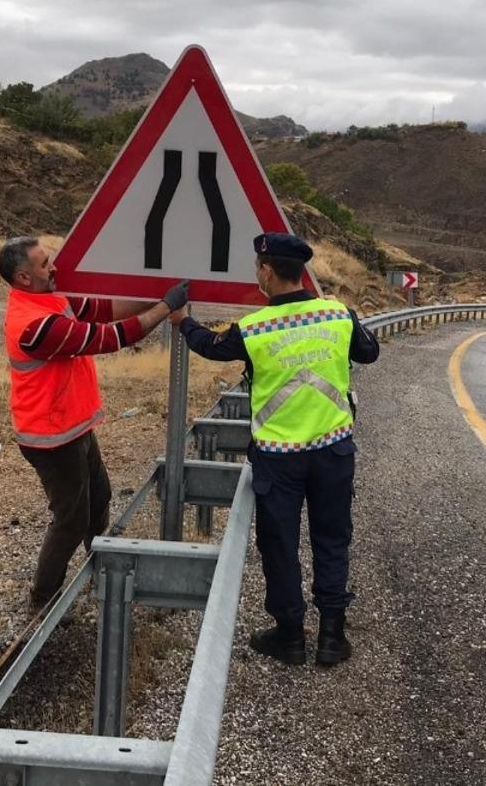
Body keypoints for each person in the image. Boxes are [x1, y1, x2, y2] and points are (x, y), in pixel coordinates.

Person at [171, 232, 379, 666]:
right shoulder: (337, 313)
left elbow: (208, 346)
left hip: (279, 459)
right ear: (301, 271)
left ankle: (289, 636)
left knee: (280, 545)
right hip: (333, 451)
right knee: (332, 538)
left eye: (257, 269)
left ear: (267, 271)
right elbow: (369, 352)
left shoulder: (254, 329)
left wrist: (183, 320)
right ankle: (331, 637)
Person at [0, 236, 189, 610]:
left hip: (74, 426)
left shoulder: (52, 297)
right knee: (70, 519)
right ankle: (43, 600)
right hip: (49, 439)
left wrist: (157, 296)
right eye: (44, 264)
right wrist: (166, 306)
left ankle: (99, 568)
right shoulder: (33, 325)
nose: (54, 268)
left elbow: (106, 309)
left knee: (99, 497)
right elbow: (109, 336)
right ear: (23, 277)